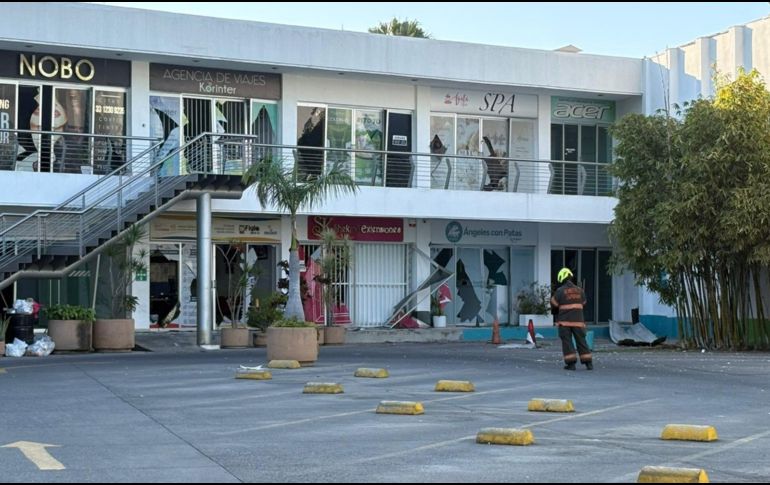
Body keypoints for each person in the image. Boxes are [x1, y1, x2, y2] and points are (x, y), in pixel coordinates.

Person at [551, 267, 593, 371]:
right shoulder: (580, 290)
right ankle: (588, 363)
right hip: (578, 321)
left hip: (564, 322)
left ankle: (571, 364)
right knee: (581, 341)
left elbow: (553, 305)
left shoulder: (560, 291)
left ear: (561, 278)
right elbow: (584, 303)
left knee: (567, 342)